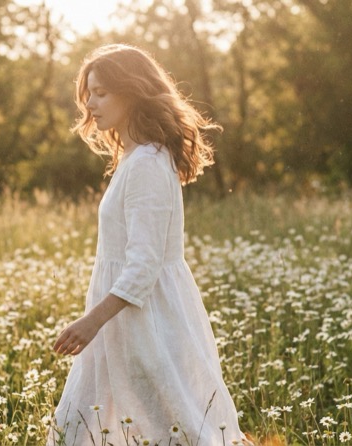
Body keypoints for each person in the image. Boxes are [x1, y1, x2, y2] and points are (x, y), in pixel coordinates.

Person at [49, 44, 251, 446]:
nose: (91, 102)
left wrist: (90, 322)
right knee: (95, 424)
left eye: (103, 92)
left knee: (169, 425)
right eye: (89, 92)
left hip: (144, 319)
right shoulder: (135, 158)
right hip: (122, 319)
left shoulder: (146, 164)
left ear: (133, 92)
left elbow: (143, 266)